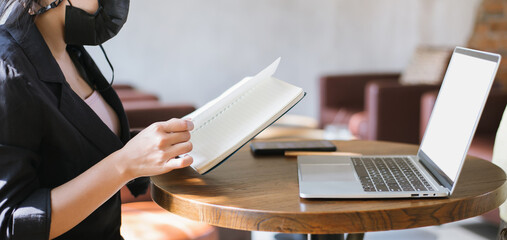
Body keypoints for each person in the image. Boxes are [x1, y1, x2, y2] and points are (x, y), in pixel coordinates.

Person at [0, 0, 195, 239]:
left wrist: (156, 148)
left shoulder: (69, 50)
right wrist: (124, 164)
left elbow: (78, 150)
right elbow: (12, 223)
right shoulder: (8, 71)